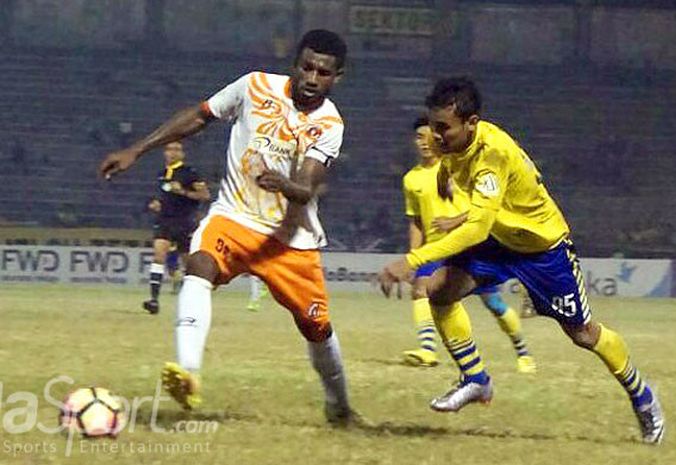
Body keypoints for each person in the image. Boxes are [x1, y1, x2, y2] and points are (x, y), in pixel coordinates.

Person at [378, 77, 664, 444]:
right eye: (432, 127)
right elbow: (480, 203)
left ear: (472, 123)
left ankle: (643, 397)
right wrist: (447, 178)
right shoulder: (454, 142)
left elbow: (476, 230)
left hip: (543, 250)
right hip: (501, 240)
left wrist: (412, 259)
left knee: (582, 334)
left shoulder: (492, 155)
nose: (434, 136)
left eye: (442, 128)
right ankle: (476, 380)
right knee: (439, 291)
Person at [99, 30, 355, 424]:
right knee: (199, 266)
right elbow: (200, 115)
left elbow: (305, 188)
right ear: (295, 64)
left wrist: (284, 184)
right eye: (306, 67)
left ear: (337, 77)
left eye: (323, 72)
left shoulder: (329, 124)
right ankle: (188, 373)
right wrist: (136, 149)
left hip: (288, 240)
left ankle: (339, 406)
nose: (312, 77)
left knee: (316, 327)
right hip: (233, 218)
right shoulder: (254, 86)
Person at [401, 116, 536, 374]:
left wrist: (456, 220)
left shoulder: (459, 166)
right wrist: (414, 255)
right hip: (434, 249)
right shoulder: (411, 179)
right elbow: (416, 221)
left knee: (494, 304)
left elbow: (484, 206)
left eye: (428, 136)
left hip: (467, 244)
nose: (424, 142)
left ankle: (523, 352)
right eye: (419, 137)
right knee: (420, 290)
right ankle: (428, 351)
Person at [144, 141, 210, 314]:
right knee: (158, 255)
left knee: (189, 264)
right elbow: (163, 196)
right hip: (164, 220)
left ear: (182, 154)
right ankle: (153, 300)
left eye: (176, 149)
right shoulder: (161, 174)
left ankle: (193, 299)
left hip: (185, 221)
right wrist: (156, 203)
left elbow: (204, 195)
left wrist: (183, 192)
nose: (172, 153)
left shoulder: (190, 173)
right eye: (168, 149)